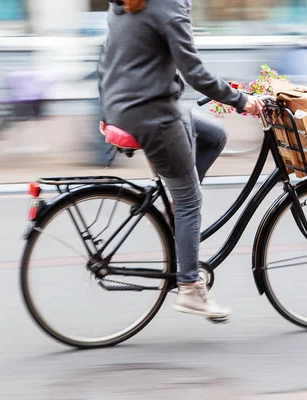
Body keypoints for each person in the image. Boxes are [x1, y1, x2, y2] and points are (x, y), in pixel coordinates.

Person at [97, 0, 264, 319]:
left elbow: (107, 62)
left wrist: (108, 111)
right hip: (153, 116)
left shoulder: (128, 3)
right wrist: (242, 101)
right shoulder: (166, 7)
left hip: (129, 104)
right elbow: (196, 74)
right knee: (190, 201)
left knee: (214, 135)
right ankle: (189, 288)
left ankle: (177, 212)